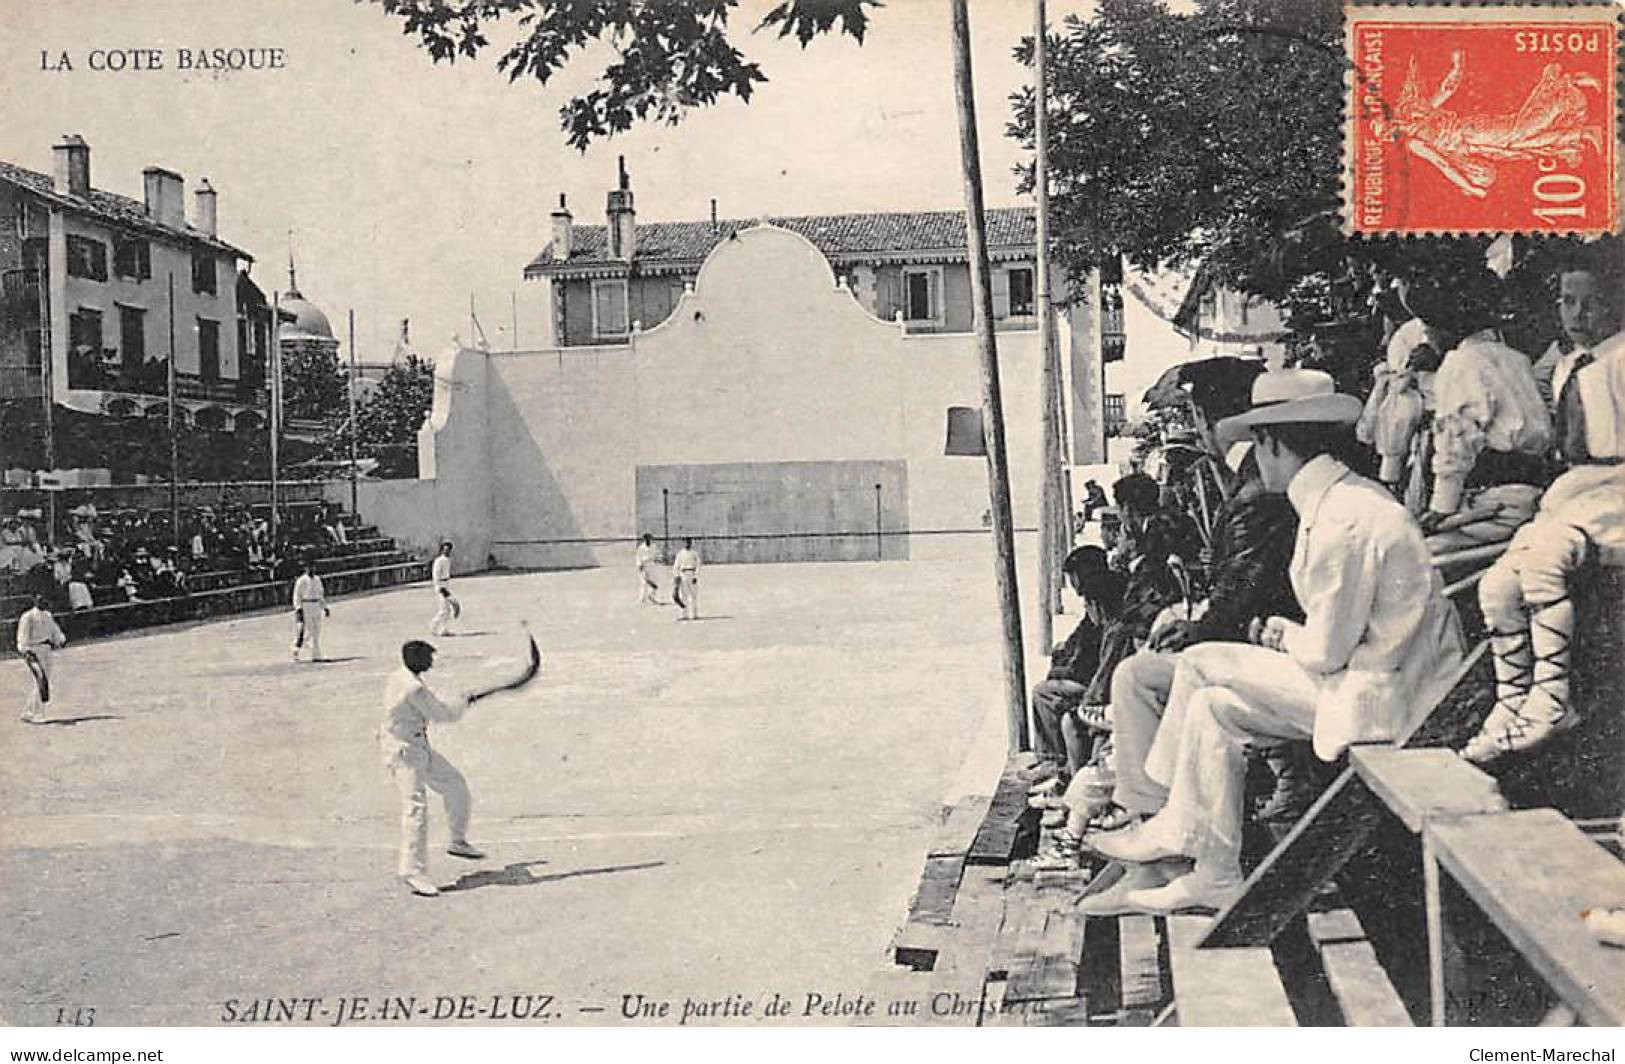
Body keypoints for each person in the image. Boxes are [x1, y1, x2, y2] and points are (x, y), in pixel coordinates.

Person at [1089, 370, 1466, 913]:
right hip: (1369, 684)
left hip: (1390, 699)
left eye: (1258, 444)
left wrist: (1278, 632)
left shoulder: (1346, 519)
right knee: (1216, 709)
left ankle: (1172, 821)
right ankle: (1215, 872)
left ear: (1273, 443)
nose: (1254, 457)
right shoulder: (1343, 500)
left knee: (1198, 663)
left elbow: (1324, 652)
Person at [1464, 326, 1625, 763]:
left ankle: (1553, 696)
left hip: (1617, 494)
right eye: (1567, 301)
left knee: (1545, 562)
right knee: (1496, 585)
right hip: (1575, 493)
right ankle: (1513, 696)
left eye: (1589, 301)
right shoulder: (1570, 365)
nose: (1577, 314)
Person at [378, 640, 486, 897]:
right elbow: (443, 714)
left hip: (416, 746)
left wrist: (460, 701)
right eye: (429, 658)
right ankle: (412, 871)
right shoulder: (413, 688)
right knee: (415, 808)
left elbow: (434, 707)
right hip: (405, 752)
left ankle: (458, 841)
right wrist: (464, 702)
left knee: (455, 785)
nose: (432, 662)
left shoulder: (400, 676)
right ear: (418, 660)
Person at [1030, 547, 1123, 782]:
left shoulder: (1103, 608)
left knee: (1043, 694)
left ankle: (1053, 760)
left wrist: (1062, 670)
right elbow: (1079, 641)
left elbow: (1095, 664)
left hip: (1095, 685)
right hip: (1094, 679)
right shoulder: (1103, 596)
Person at [16, 594, 67, 724]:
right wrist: (25, 651)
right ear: (35, 601)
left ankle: (28, 711)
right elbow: (22, 637)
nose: (43, 602)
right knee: (41, 679)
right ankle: (37, 713)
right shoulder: (28, 617)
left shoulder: (48, 616)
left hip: (46, 649)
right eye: (40, 599)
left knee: (43, 680)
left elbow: (55, 631)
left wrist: (60, 639)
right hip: (33, 650)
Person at [291, 554, 329, 663]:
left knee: (317, 630)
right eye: (309, 567)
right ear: (305, 568)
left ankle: (305, 650)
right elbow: (296, 595)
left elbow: (321, 594)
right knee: (309, 630)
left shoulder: (317, 579)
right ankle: (314, 654)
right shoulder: (301, 581)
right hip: (306, 605)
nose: (311, 569)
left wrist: (324, 607)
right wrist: (298, 608)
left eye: (313, 567)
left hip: (316, 605)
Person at [429, 541, 459, 636]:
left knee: (447, 610)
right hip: (441, 585)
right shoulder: (439, 561)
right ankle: (433, 626)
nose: (446, 551)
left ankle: (444, 630)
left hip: (445, 584)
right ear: (441, 550)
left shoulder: (447, 560)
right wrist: (440, 588)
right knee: (444, 609)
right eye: (445, 550)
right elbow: (436, 575)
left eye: (448, 550)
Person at [673, 538, 701, 621]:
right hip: (683, 574)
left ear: (691, 543)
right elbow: (676, 565)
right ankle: (683, 614)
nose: (687, 544)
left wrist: (696, 576)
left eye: (689, 542)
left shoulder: (694, 554)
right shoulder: (680, 554)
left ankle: (694, 614)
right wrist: (677, 576)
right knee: (683, 595)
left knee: (693, 595)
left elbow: (698, 565)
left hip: (691, 573)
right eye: (686, 542)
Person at [635, 534, 662, 605]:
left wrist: (658, 559)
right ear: (644, 539)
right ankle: (642, 599)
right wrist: (639, 566)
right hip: (644, 565)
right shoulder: (641, 548)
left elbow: (657, 554)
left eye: (649, 539)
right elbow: (638, 557)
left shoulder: (653, 547)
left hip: (652, 565)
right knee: (644, 582)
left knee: (654, 582)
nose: (647, 540)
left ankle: (651, 596)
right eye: (646, 539)